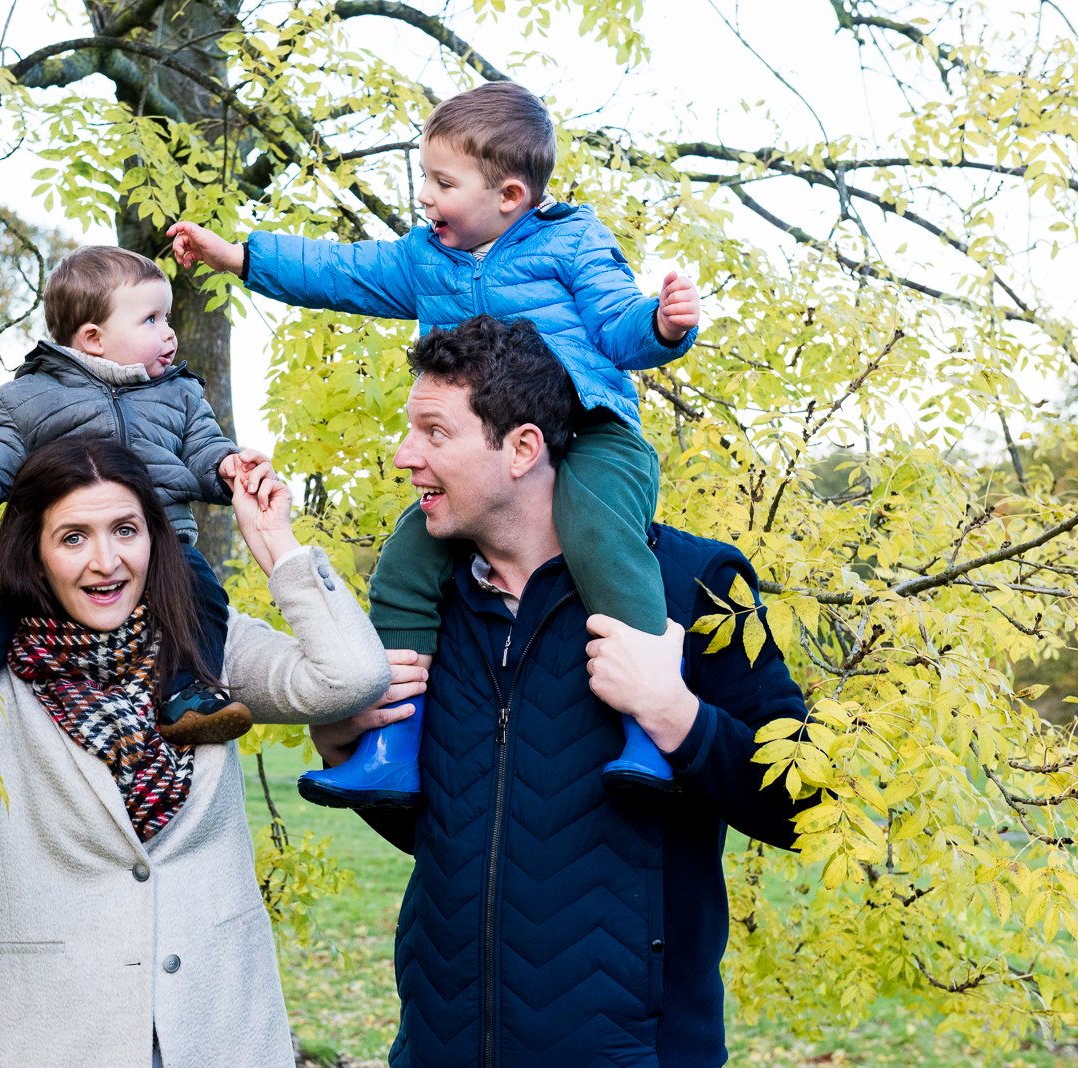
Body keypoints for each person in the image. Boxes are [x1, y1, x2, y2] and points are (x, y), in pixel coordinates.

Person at [169, 80, 701, 804]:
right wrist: (239, 257)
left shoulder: (572, 242)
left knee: (599, 536)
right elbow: (342, 271)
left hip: (589, 431)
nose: (425, 196)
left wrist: (664, 328)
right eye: (424, 176)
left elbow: (615, 323)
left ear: (510, 194)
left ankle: (647, 726)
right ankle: (392, 743)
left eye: (443, 182)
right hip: (484, 455)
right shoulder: (429, 259)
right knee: (407, 560)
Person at [310, 317, 811, 1066]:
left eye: (434, 432)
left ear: (522, 448)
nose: (404, 456)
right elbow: (463, 842)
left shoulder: (693, 585)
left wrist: (678, 717)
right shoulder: (426, 608)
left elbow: (806, 805)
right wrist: (345, 740)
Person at [0, 436, 389, 1068]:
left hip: (217, 1028)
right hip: (63, 1033)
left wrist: (276, 547)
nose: (106, 561)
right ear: (36, 554)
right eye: (73, 537)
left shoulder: (210, 646)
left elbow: (350, 676)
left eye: (125, 530)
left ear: (154, 539)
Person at [0, 245, 272, 745]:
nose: (169, 332)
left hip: (160, 544)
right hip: (57, 551)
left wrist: (227, 467)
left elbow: (203, 448)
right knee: (4, 585)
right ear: (94, 338)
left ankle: (187, 693)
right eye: (151, 319)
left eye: (166, 317)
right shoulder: (28, 397)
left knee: (202, 592)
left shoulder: (180, 394)